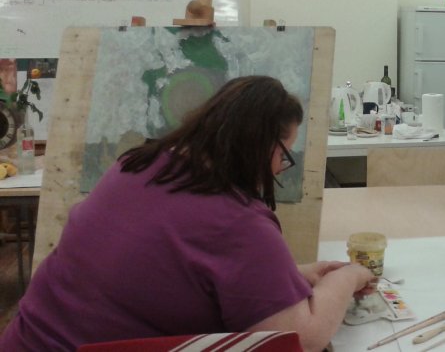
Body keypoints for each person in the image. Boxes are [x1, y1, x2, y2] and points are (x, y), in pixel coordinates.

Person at [0, 76, 374, 352]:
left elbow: (170, 274)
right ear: (260, 145)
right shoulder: (237, 221)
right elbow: (301, 338)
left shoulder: (136, 166)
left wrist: (291, 278)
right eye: (283, 153)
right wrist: (348, 278)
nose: (279, 167)